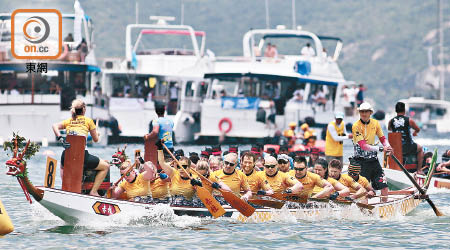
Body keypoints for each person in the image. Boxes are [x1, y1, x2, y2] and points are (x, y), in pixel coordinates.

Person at [52, 99, 110, 197]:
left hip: (66, 155)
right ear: (84, 110)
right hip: (82, 156)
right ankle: (93, 191)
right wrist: (98, 134)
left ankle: (66, 188)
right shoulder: (88, 121)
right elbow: (95, 140)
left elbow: (54, 125)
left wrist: (60, 138)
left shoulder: (69, 121)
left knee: (62, 166)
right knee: (106, 167)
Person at [352, 102, 392, 202]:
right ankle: (364, 212)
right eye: (361, 112)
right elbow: (363, 146)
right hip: (361, 163)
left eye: (366, 112)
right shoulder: (356, 126)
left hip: (374, 162)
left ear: (370, 112)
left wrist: (388, 146)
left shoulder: (375, 123)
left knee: (384, 187)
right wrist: (382, 149)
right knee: (364, 190)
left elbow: (382, 139)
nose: (364, 114)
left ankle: (384, 208)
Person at [388, 101, 424, 174]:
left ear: (396, 111)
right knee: (420, 149)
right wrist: (415, 132)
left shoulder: (391, 121)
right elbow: (418, 129)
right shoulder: (409, 120)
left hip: (396, 149)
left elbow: (389, 129)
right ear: (404, 111)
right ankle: (419, 170)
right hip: (408, 147)